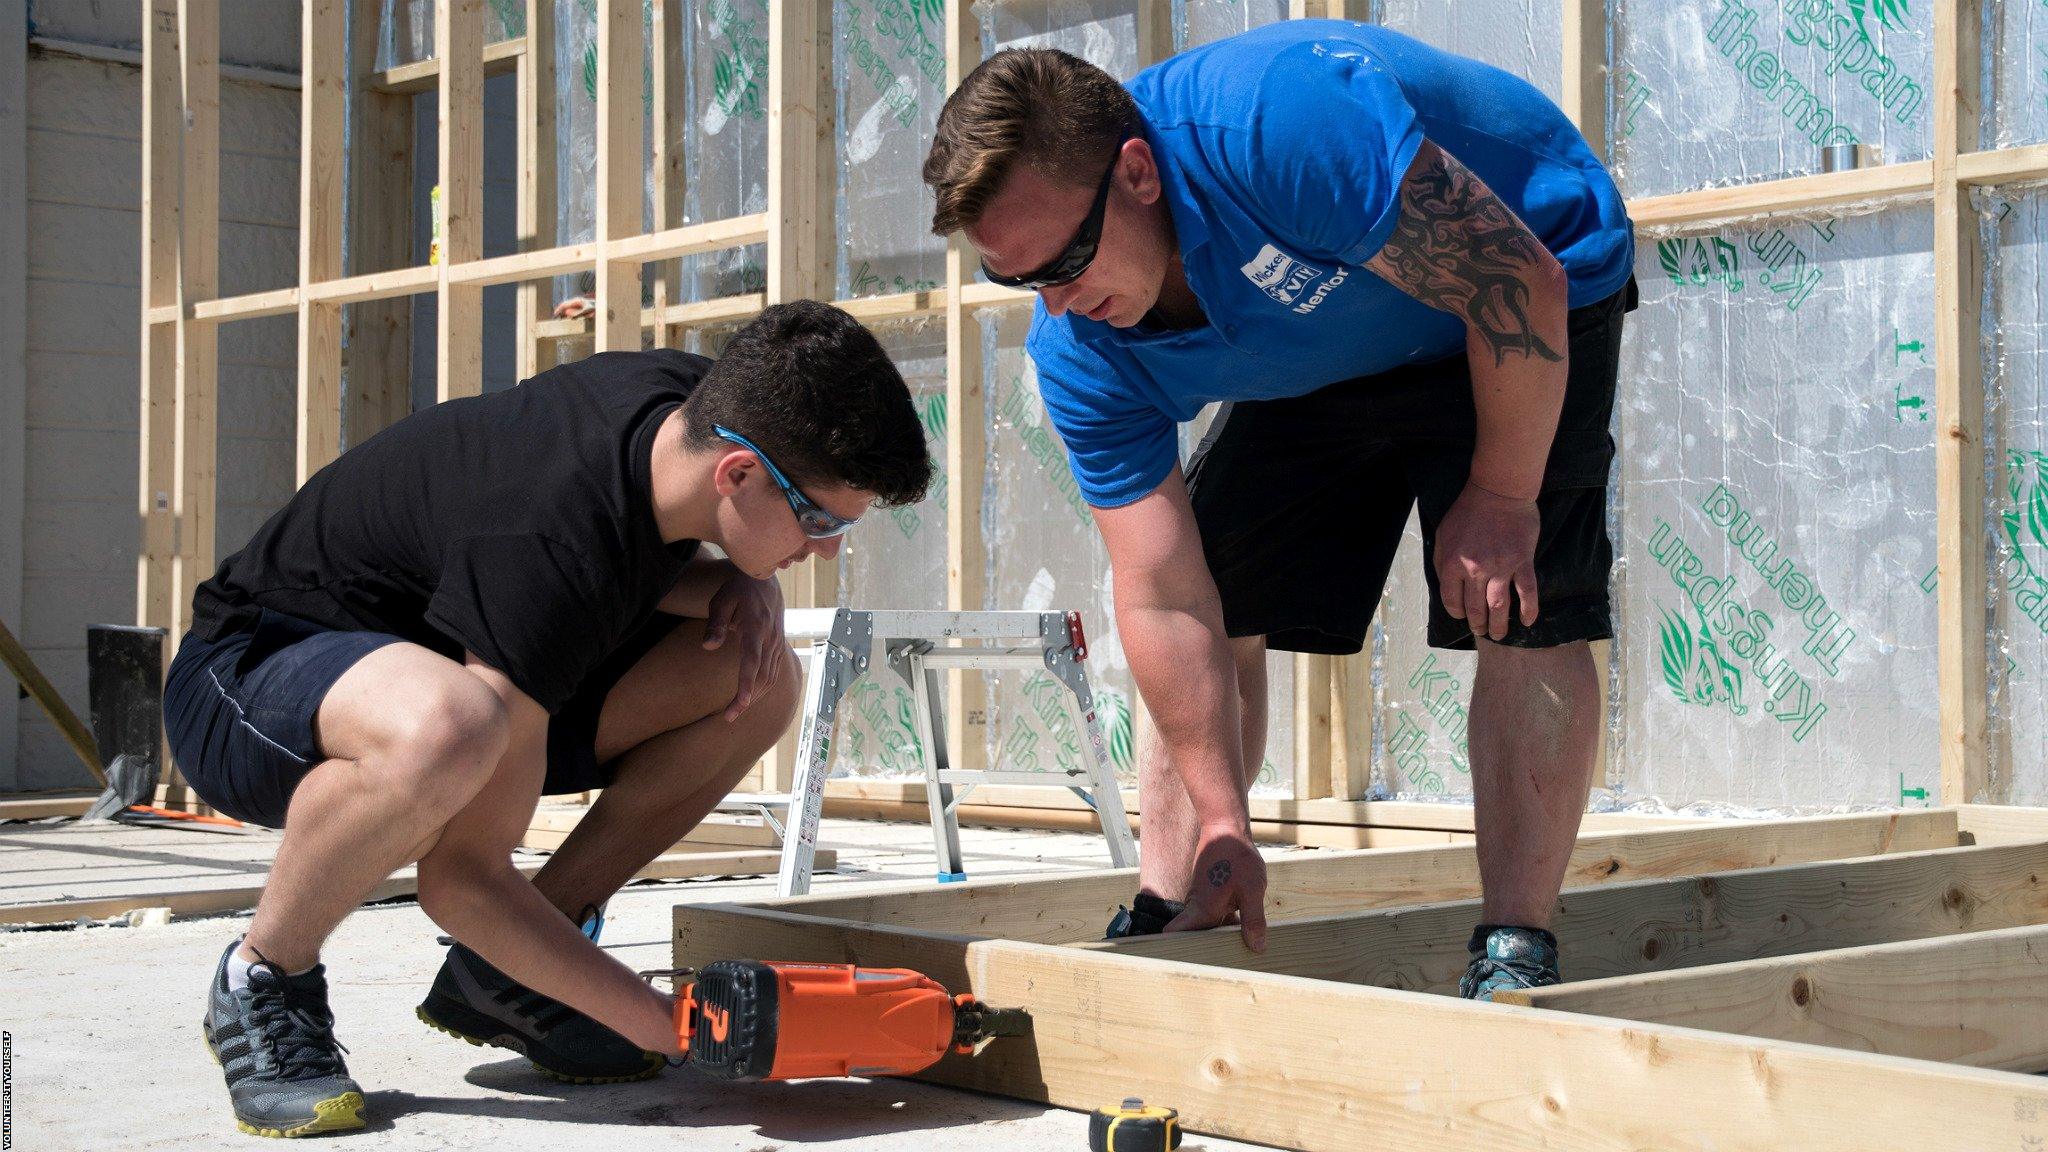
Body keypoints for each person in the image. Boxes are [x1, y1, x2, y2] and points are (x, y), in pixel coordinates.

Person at [922, 20, 1635, 999]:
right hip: (1322, 343)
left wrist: (1503, 493)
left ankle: (1514, 946)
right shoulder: (1082, 353)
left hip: (1517, 283)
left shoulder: (1280, 128)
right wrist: (1226, 817)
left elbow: (1512, 279)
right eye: (1016, 278)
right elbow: (1165, 596)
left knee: (1515, 599)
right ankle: (1178, 898)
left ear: (1137, 173)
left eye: (1066, 262)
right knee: (1222, 584)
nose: (1053, 303)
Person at [163, 301, 932, 1137]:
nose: (827, 550)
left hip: (447, 669)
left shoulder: (690, 406)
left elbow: (617, 558)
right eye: (820, 521)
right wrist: (676, 1029)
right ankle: (264, 974)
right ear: (738, 477)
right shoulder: (542, 539)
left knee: (759, 679)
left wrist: (746, 579)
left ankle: (514, 970)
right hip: (247, 679)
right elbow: (461, 880)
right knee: (452, 726)